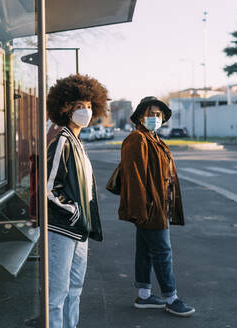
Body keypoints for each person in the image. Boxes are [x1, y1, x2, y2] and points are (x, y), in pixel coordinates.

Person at [118, 96, 195, 317]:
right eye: (150, 114)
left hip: (157, 204)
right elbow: (134, 177)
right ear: (141, 116)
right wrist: (142, 210)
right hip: (150, 207)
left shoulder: (154, 138)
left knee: (146, 251)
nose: (154, 117)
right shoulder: (137, 140)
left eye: (158, 114)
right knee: (163, 251)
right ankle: (172, 298)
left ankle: (144, 295)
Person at [46, 74, 108, 328]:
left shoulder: (77, 142)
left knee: (75, 287)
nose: (85, 111)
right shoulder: (62, 140)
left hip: (79, 229)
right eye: (79, 106)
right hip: (63, 228)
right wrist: (72, 211)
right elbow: (49, 188)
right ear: (66, 108)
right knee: (57, 292)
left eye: (89, 106)